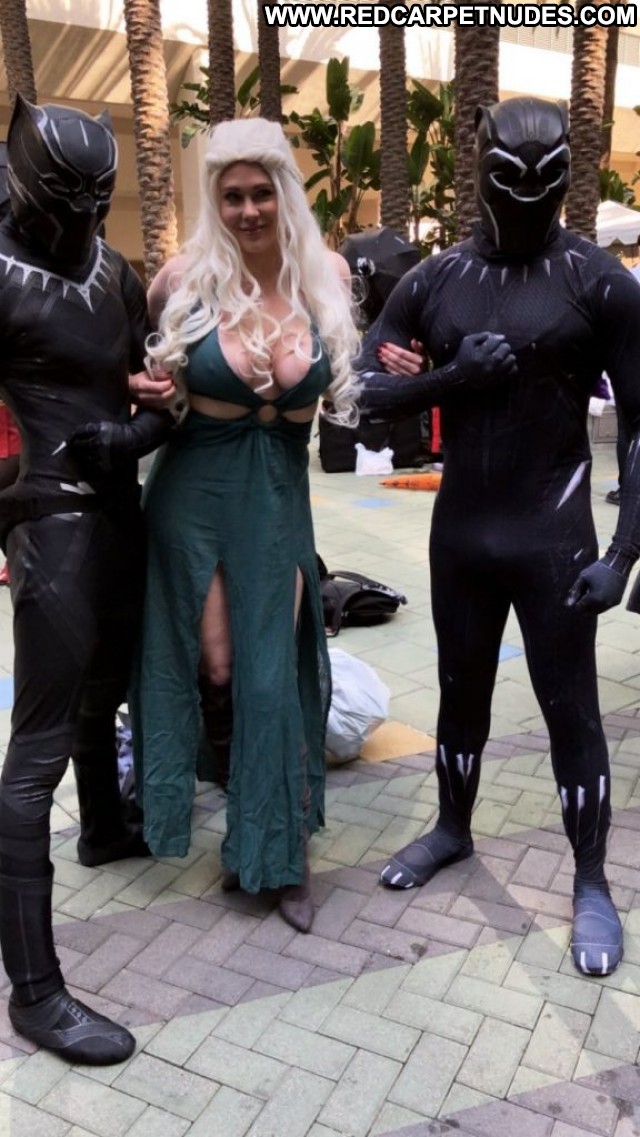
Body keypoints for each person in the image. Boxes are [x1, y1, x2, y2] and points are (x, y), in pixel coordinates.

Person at [356, 97, 640, 978]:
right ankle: (452, 826)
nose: (525, 197)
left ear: (566, 178)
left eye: (544, 180)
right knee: (460, 690)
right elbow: (359, 397)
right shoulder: (434, 280)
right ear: (478, 171)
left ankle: (591, 879)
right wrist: (451, 377)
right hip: (465, 532)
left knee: (571, 709)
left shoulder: (599, 281)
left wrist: (623, 554)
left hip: (555, 533)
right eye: (507, 178)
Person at [129, 117, 360, 933]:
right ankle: (240, 832)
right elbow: (135, 377)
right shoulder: (180, 282)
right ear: (215, 201)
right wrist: (145, 391)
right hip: (192, 493)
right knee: (218, 669)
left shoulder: (327, 276)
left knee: (271, 676)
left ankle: (279, 853)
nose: (249, 209)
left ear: (285, 194)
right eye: (233, 196)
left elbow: (363, 375)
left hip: (277, 500)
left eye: (263, 192)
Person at [0, 95, 173, 1063]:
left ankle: (104, 826)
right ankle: (34, 991)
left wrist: (131, 434)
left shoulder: (115, 273)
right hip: (54, 524)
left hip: (116, 513)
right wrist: (19, 496)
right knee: (35, 756)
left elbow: (158, 398)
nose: (81, 218)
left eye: (95, 201)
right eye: (67, 199)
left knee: (104, 695)